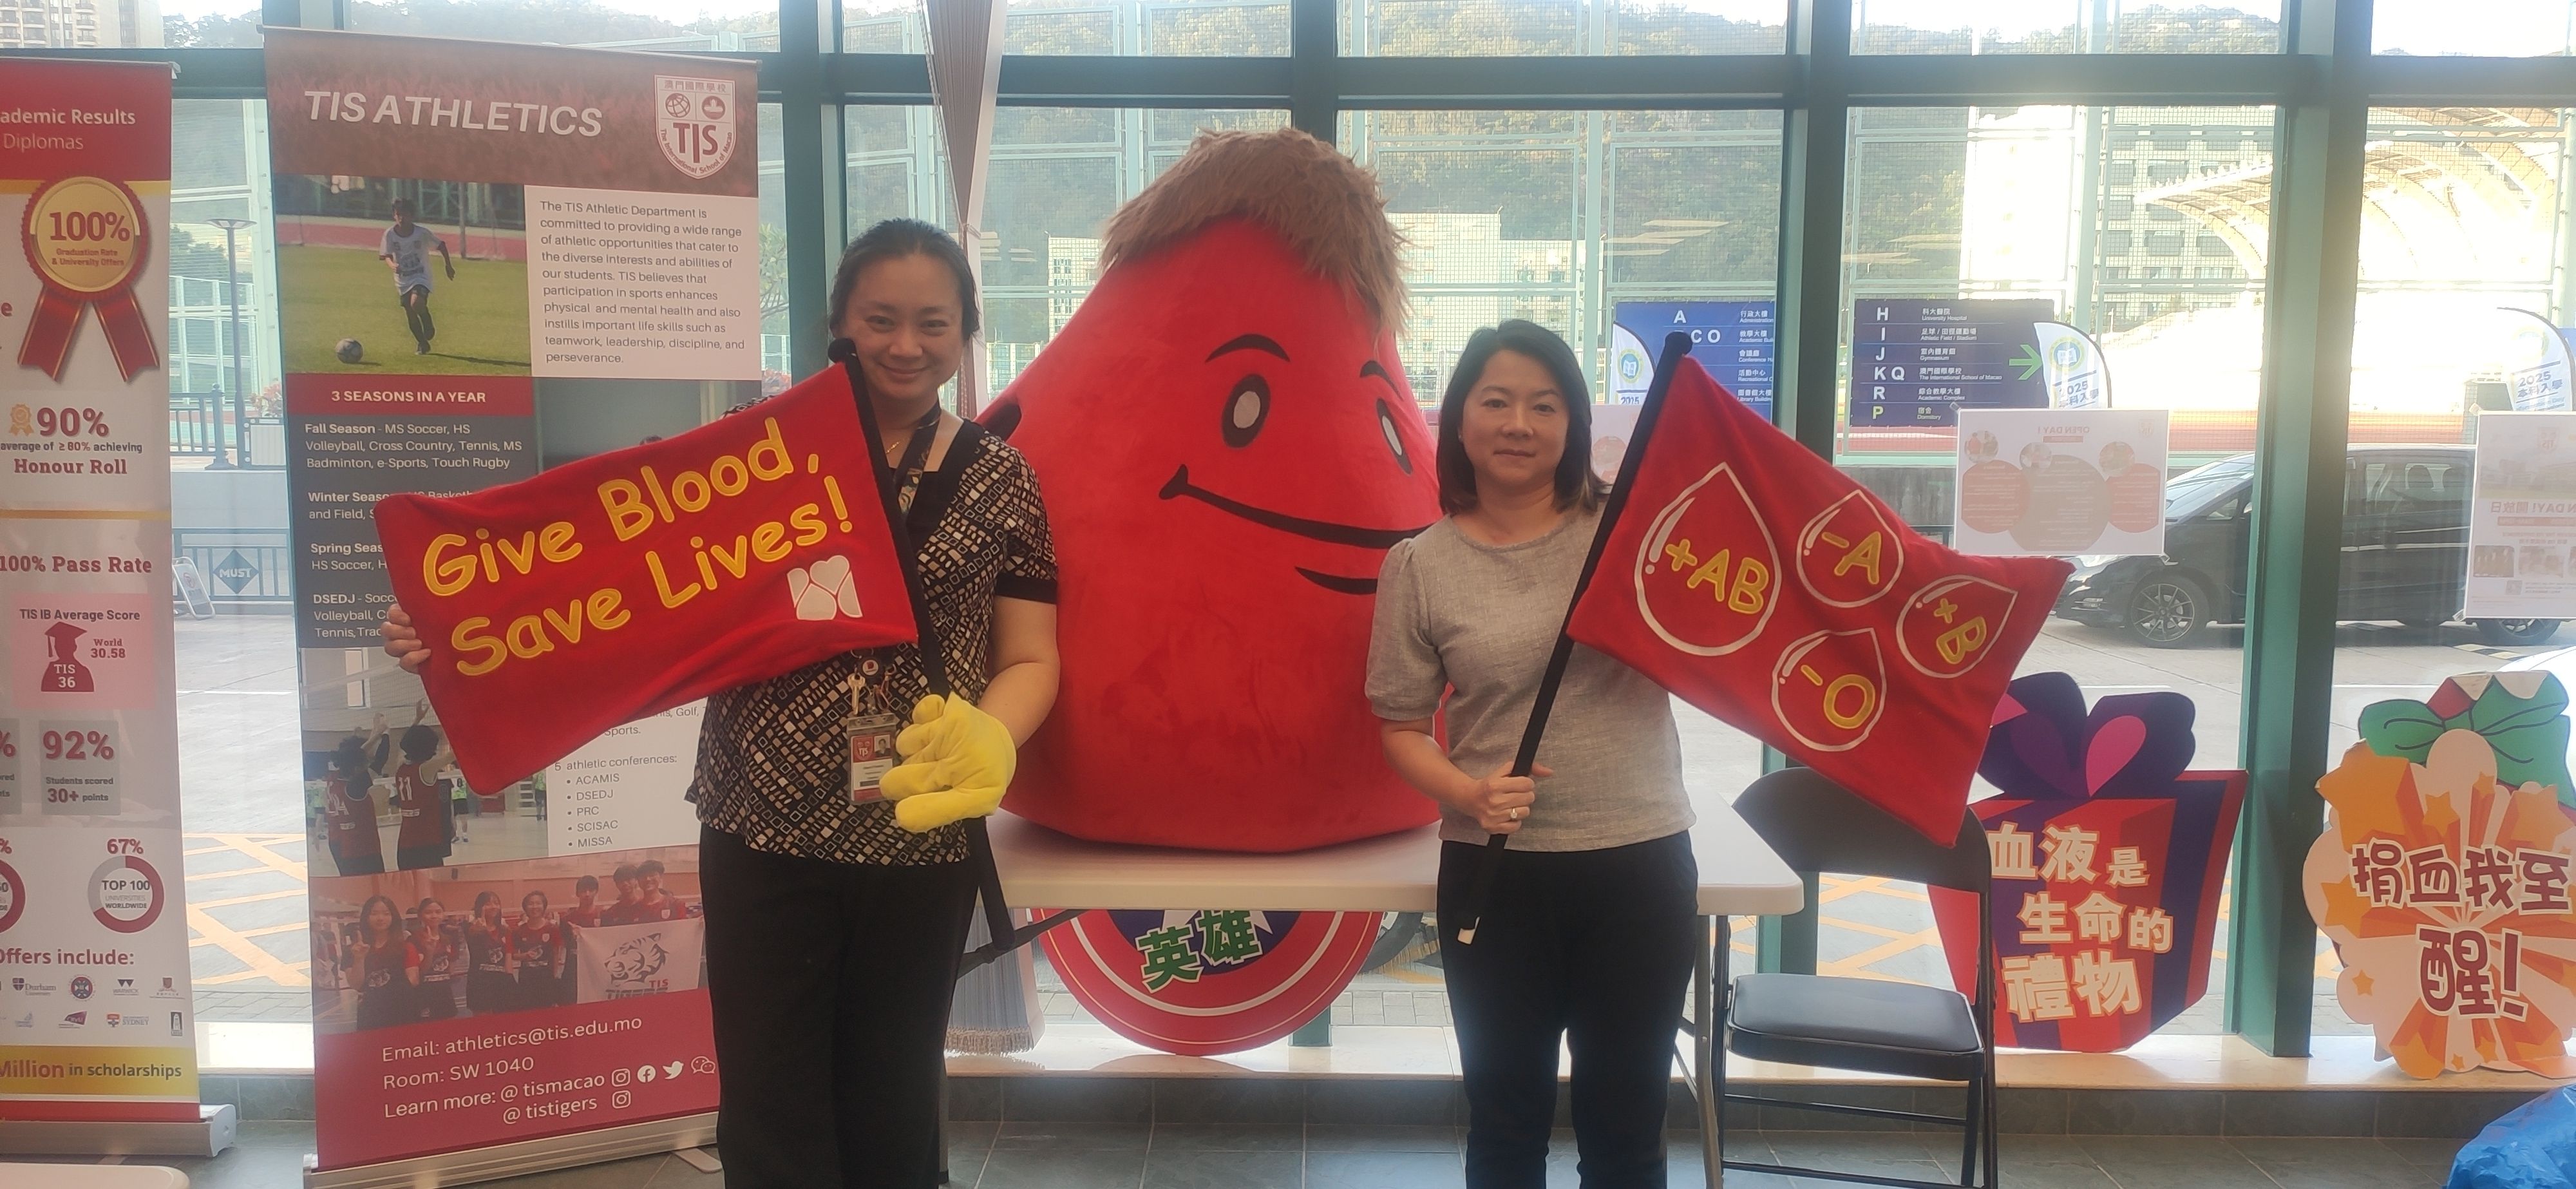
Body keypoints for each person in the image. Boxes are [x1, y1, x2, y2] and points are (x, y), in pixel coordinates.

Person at [381, 216, 1061, 1187]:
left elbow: (1032, 654)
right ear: (839, 325)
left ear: (966, 333)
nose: (906, 345)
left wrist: (994, 731)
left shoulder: (1002, 480)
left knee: (895, 1094)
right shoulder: (755, 455)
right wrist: (455, 626)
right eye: (880, 319)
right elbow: (604, 571)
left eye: (933, 323)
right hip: (759, 826)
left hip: (916, 831)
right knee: (768, 1097)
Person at [1367, 320, 1698, 1189]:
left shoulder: (1629, 536)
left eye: (1544, 405)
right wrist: (1466, 792)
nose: (1519, 423)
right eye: (1497, 401)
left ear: (1573, 424)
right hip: (1496, 874)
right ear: (1459, 419)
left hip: (1639, 865)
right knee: (1506, 1126)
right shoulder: (1420, 566)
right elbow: (1400, 726)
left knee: (1627, 1134)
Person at [379, 196, 455, 355]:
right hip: (403, 280)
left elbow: (441, 246)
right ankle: (422, 343)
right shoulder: (390, 234)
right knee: (410, 312)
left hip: (421, 276)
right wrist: (392, 265)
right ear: (394, 215)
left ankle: (427, 320)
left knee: (416, 303)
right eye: (398, 214)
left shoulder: (421, 233)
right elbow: (386, 255)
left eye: (405, 214)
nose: (401, 218)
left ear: (412, 216)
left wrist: (448, 266)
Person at [392, 701, 457, 871]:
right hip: (426, 846)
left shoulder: (400, 767)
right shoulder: (426, 769)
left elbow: (403, 746)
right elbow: (455, 753)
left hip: (404, 847)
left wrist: (417, 720)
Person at [319, 719, 390, 877]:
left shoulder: (334, 776)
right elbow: (380, 760)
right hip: (360, 845)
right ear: (357, 767)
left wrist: (375, 735)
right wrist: (385, 733)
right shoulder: (355, 786)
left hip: (337, 840)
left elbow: (352, 756)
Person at [347, 895, 418, 1032]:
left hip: (402, 1011)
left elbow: (413, 981)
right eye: (374, 914)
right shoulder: (354, 949)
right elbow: (356, 985)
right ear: (366, 917)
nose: (380, 918)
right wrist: (359, 959)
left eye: (386, 914)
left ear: (393, 917)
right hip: (370, 1014)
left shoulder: (406, 947)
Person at [509, 889, 567, 1009]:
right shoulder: (518, 931)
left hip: (547, 981)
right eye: (531, 904)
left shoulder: (553, 929)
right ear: (525, 908)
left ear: (544, 906)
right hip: (527, 981)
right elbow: (513, 955)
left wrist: (554, 978)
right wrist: (525, 956)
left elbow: (556, 954)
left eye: (538, 903)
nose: (535, 907)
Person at [463, 891, 514, 1017]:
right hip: (479, 982)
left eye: (496, 903)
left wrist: (510, 980)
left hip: (500, 982)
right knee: (482, 1021)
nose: (493, 906)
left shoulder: (505, 930)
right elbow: (472, 940)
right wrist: (481, 930)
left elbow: (508, 959)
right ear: (480, 907)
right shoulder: (471, 928)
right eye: (488, 904)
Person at [410, 897, 461, 1021]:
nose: (434, 916)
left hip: (445, 994)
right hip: (424, 994)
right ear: (420, 916)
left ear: (443, 915)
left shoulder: (449, 939)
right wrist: (429, 953)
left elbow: (451, 969)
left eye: (438, 912)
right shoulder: (414, 940)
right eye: (428, 912)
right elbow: (419, 973)